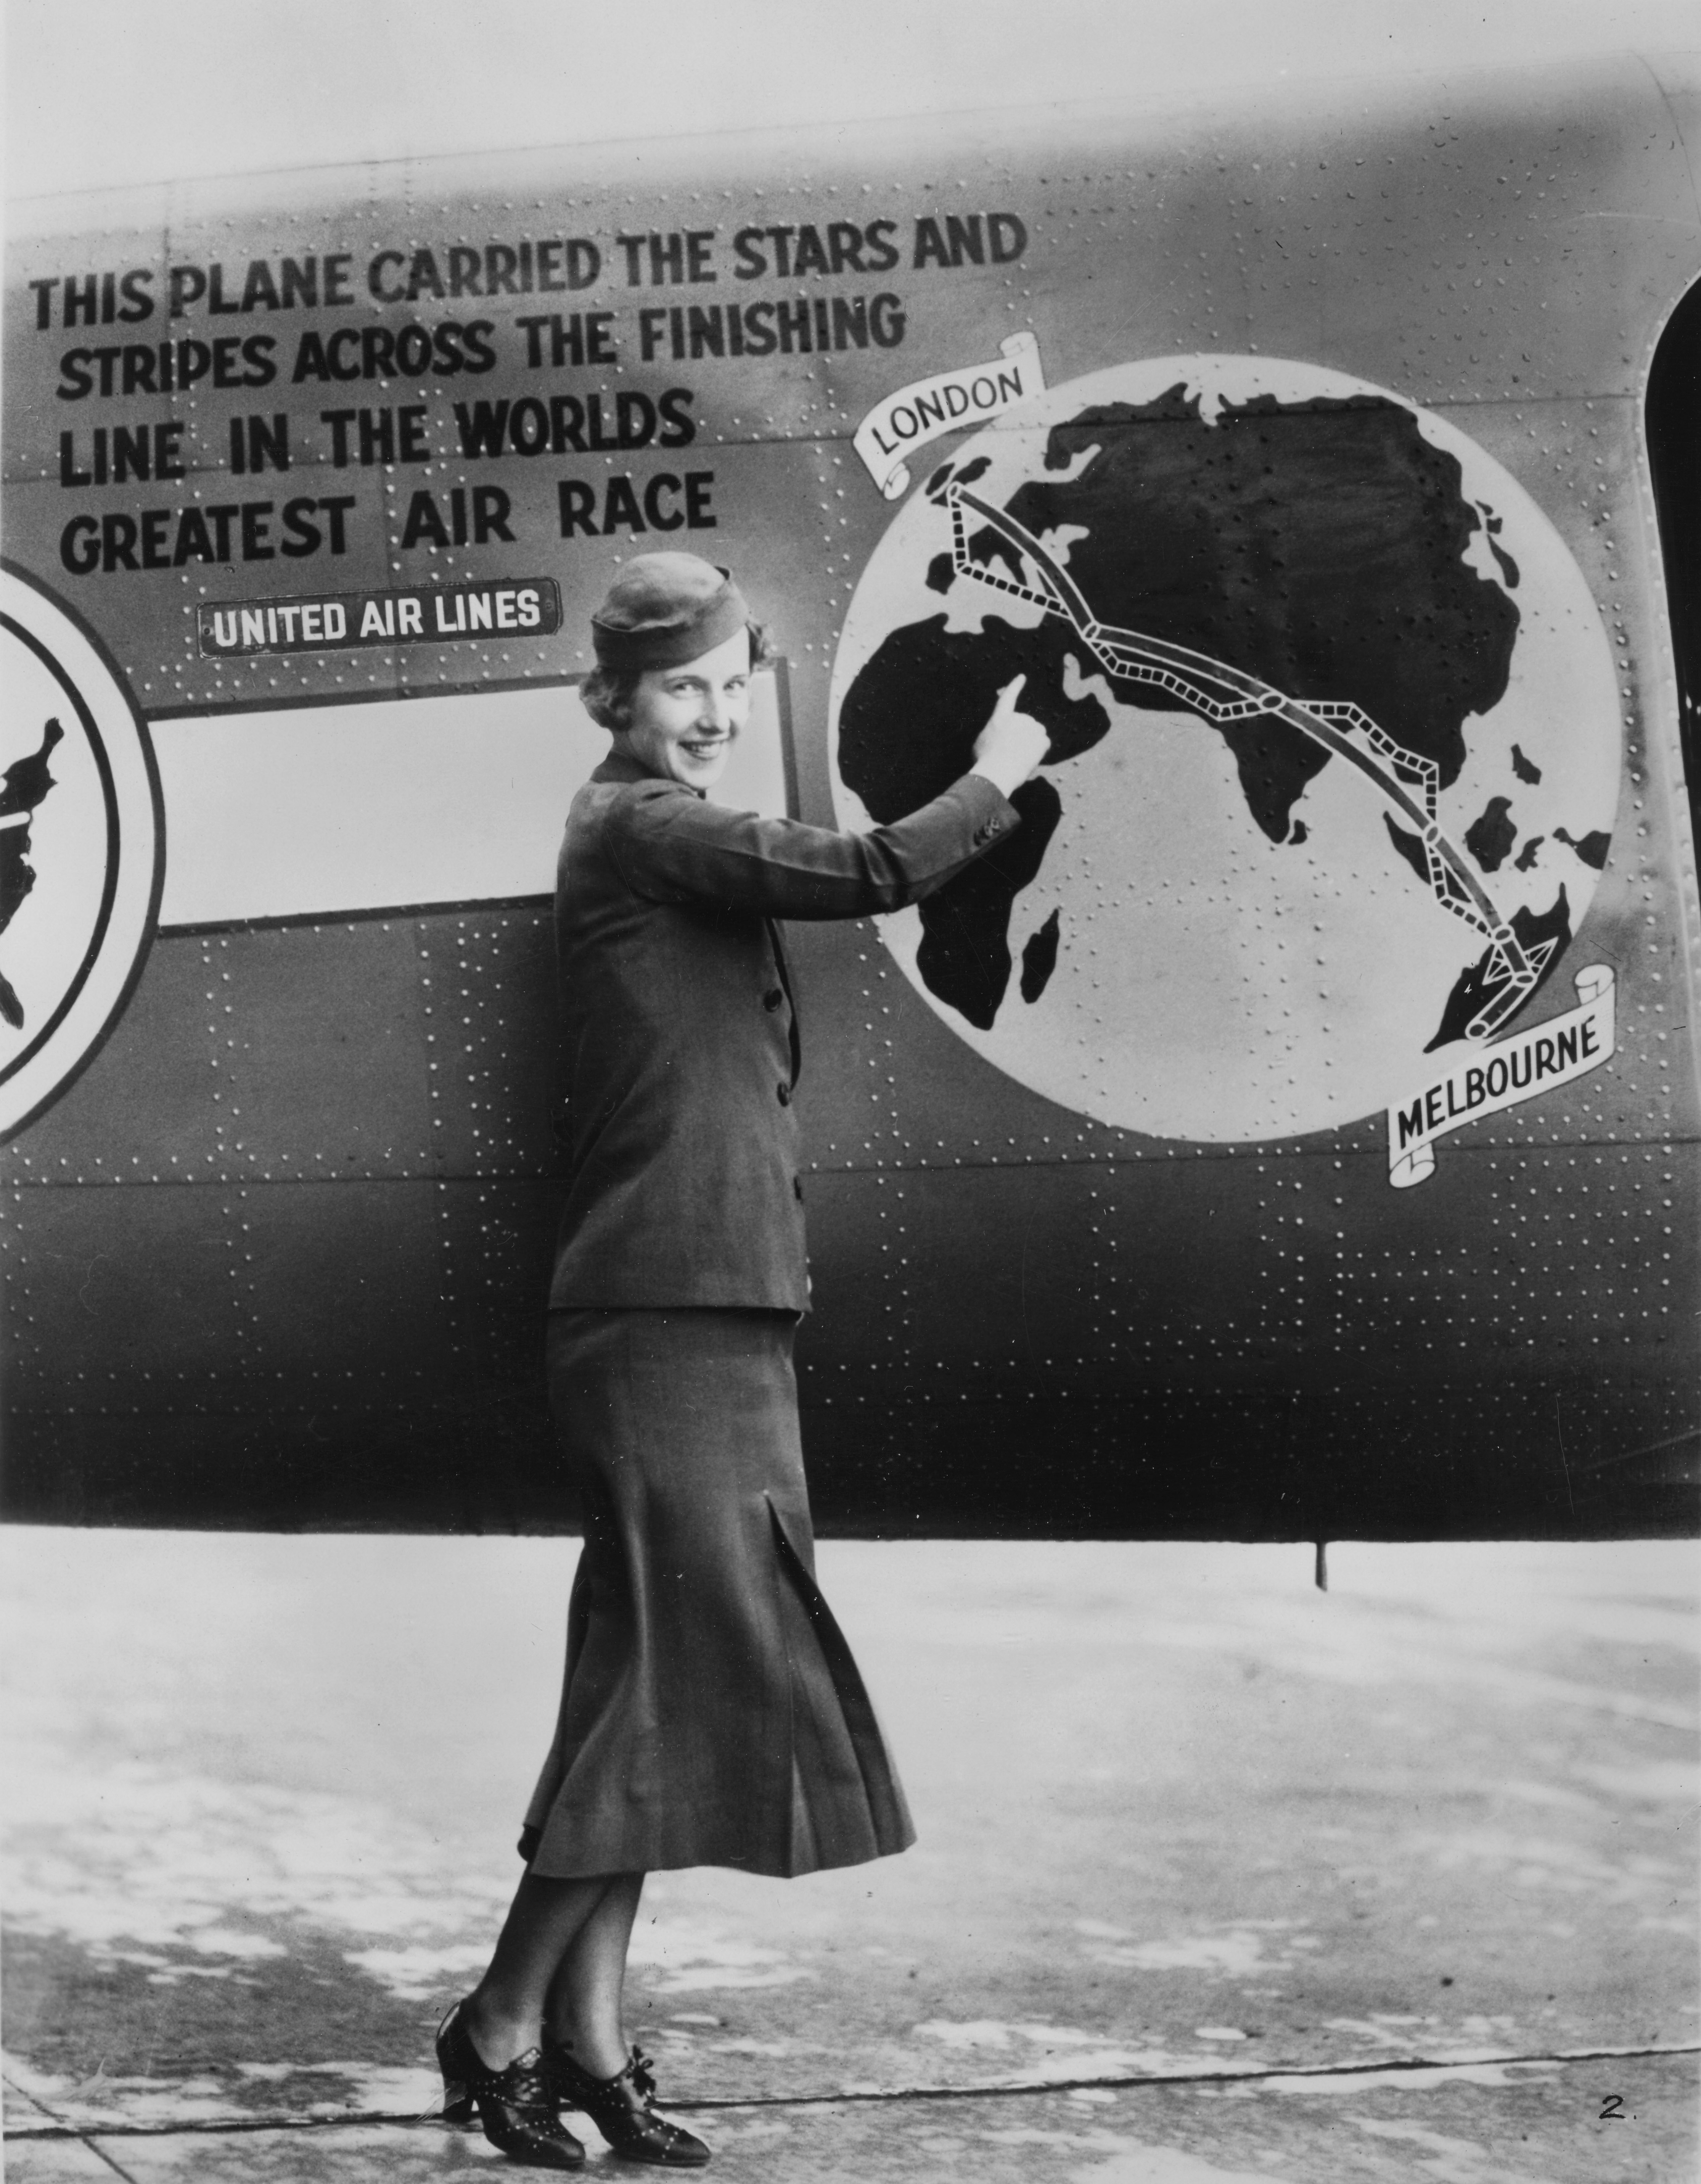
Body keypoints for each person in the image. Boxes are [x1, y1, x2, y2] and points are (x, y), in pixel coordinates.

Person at [437, 551, 1048, 2168]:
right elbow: (860, 870)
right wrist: (999, 776)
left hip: (707, 1307)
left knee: (649, 1691)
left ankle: (586, 2044)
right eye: (676, 688)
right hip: (662, 1313)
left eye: (723, 683)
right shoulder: (637, 821)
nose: (707, 713)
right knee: (669, 1692)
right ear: (618, 703)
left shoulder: (651, 830)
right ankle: (500, 2025)